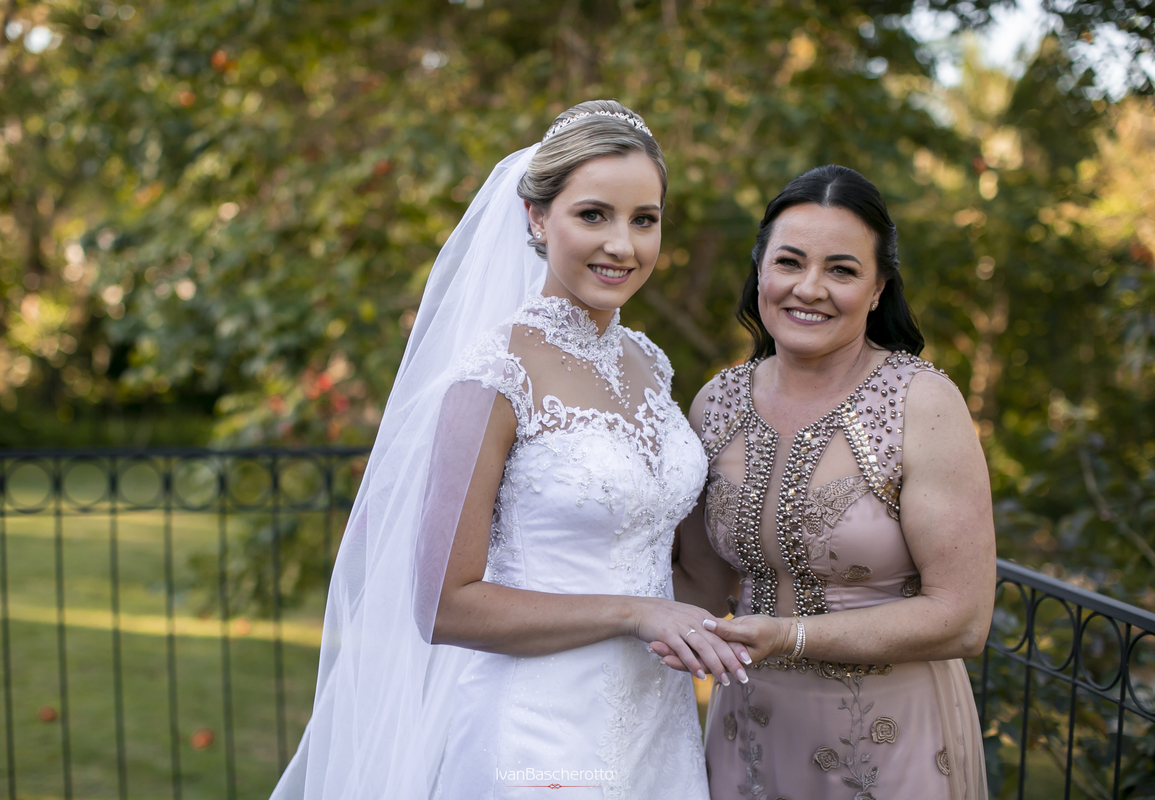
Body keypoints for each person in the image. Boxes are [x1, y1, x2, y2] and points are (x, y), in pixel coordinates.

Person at [271, 100, 744, 800]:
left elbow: (686, 574)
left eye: (644, 219)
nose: (623, 244)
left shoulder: (650, 364)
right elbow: (445, 606)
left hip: (656, 724)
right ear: (536, 218)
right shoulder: (493, 374)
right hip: (536, 733)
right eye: (594, 215)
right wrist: (634, 612)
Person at [655, 165, 995, 799]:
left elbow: (964, 619)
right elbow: (701, 584)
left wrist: (790, 636)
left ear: (877, 289)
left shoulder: (921, 403)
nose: (809, 288)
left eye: (841, 270)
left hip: (890, 746)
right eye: (789, 262)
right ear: (760, 269)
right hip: (746, 736)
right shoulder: (717, 402)